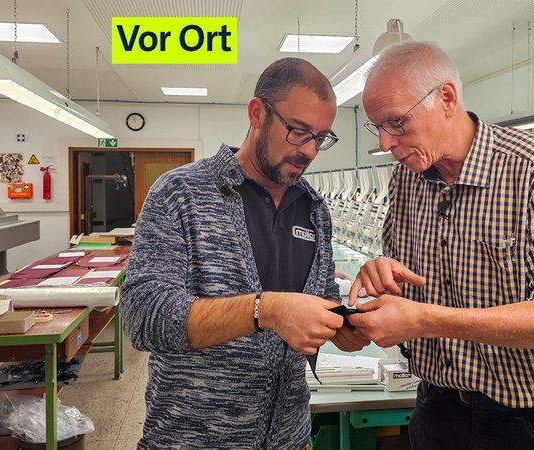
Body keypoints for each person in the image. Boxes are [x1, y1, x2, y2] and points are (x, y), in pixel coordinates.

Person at [347, 41, 534, 450]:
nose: (385, 142)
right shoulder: (407, 179)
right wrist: (380, 272)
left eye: (397, 122)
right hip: (438, 410)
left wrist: (426, 319)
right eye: (377, 126)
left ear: (446, 98)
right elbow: (405, 280)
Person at [121, 57, 369, 449]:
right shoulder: (181, 193)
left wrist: (346, 326)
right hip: (192, 440)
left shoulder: (314, 209)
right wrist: (265, 310)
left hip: (288, 437)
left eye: (321, 138)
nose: (309, 150)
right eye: (298, 131)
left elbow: (321, 301)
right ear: (257, 113)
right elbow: (143, 317)